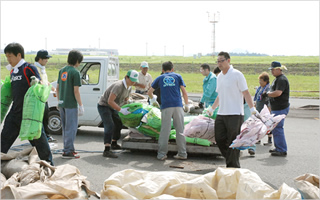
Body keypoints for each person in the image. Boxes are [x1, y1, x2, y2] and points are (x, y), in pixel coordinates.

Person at [1, 43, 53, 165]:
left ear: (19, 55)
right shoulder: (13, 71)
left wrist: (37, 83)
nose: (8, 59)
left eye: (10, 56)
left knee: (40, 143)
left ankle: (50, 166)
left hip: (29, 116)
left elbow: (39, 88)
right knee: (3, 141)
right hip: (15, 113)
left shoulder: (28, 68)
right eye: (6, 56)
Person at [206, 51, 258, 168]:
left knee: (233, 142)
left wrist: (252, 108)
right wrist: (212, 108)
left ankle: (233, 167)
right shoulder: (219, 77)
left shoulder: (237, 74)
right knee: (219, 139)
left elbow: (246, 92)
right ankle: (232, 161)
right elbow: (220, 95)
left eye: (221, 61)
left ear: (228, 61)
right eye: (218, 61)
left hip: (235, 113)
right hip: (222, 113)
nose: (219, 63)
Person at [147, 61, 191, 161]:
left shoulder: (160, 78)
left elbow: (149, 92)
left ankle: (162, 154)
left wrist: (153, 100)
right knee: (180, 130)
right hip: (178, 106)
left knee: (165, 131)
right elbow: (184, 92)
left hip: (166, 106)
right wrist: (187, 104)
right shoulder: (178, 76)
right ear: (172, 69)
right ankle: (182, 153)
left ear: (162, 70)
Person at [98, 70, 139, 158]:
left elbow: (125, 99)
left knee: (119, 123)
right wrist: (121, 110)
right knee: (109, 125)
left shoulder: (129, 87)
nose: (133, 82)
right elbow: (110, 101)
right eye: (132, 80)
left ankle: (114, 143)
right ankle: (107, 150)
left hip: (114, 106)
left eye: (134, 80)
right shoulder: (118, 86)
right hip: (104, 105)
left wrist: (129, 104)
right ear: (126, 77)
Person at [56, 50, 84, 159]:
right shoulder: (75, 72)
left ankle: (68, 149)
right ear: (77, 60)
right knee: (71, 128)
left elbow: (57, 88)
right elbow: (76, 91)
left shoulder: (62, 71)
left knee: (65, 128)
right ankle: (68, 151)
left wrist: (59, 101)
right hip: (71, 104)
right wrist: (81, 105)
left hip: (62, 103)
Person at [266, 61, 290, 156]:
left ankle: (281, 149)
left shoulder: (281, 79)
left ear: (278, 69)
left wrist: (267, 94)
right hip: (277, 107)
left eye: (273, 69)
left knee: (278, 128)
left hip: (280, 107)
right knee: (276, 128)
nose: (272, 71)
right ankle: (278, 147)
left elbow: (278, 93)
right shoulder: (277, 79)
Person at [34, 49, 57, 143]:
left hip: (44, 97)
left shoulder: (42, 69)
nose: (47, 60)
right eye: (45, 59)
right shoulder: (35, 68)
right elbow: (39, 81)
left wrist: (53, 89)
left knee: (45, 116)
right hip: (38, 98)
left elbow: (45, 81)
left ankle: (45, 136)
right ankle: (43, 137)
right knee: (41, 118)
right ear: (40, 59)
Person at [254, 72, 272, 146]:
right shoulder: (260, 88)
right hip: (259, 108)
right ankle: (258, 139)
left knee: (267, 124)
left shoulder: (268, 89)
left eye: (261, 81)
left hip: (265, 109)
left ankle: (270, 140)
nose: (260, 82)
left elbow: (269, 100)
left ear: (266, 81)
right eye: (259, 81)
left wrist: (269, 109)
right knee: (259, 124)